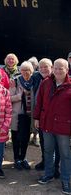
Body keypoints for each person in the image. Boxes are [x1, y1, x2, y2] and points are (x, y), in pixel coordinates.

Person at [34, 58, 71, 194]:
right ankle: (48, 174)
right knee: (48, 151)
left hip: (64, 126)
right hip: (47, 123)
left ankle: (66, 180)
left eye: (61, 68)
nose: (57, 70)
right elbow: (39, 102)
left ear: (67, 70)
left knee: (65, 154)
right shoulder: (46, 83)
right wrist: (36, 118)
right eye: (55, 68)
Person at [32, 58, 60, 174]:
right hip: (43, 118)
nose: (43, 69)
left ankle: (56, 168)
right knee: (44, 143)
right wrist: (37, 118)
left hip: (56, 119)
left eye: (46, 67)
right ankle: (45, 161)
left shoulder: (57, 80)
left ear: (52, 67)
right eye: (41, 67)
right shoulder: (38, 78)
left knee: (57, 145)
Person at [10, 61, 34, 170]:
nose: (25, 72)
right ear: (20, 70)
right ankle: (16, 159)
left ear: (31, 71)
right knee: (16, 138)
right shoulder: (15, 81)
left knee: (25, 138)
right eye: (23, 70)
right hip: (17, 115)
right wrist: (19, 96)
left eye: (27, 70)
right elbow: (9, 98)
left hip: (29, 115)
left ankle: (23, 158)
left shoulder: (34, 81)